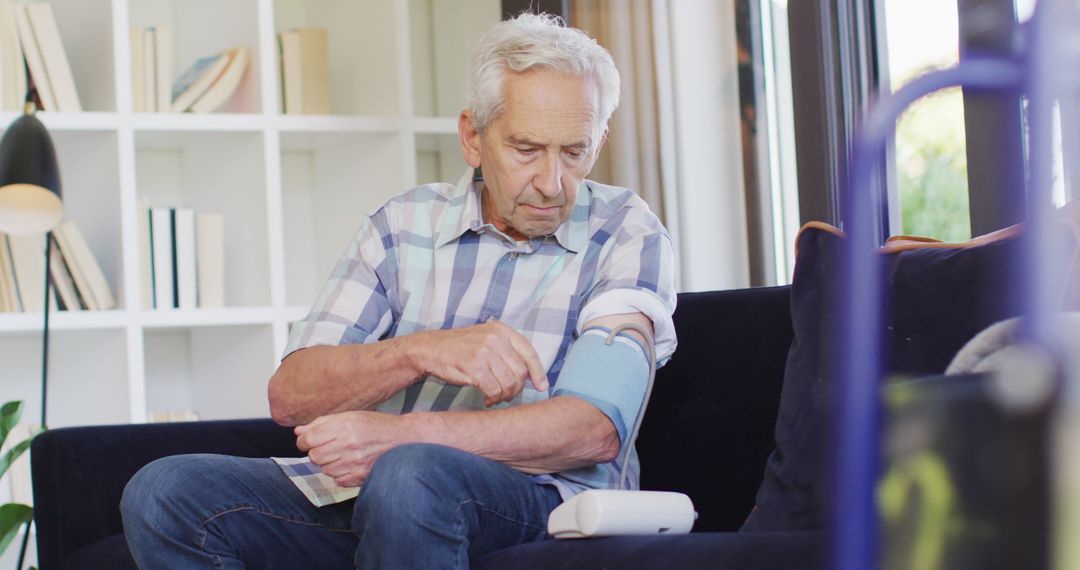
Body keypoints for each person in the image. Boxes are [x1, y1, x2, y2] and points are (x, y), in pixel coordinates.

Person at [121, 12, 677, 568]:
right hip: (375, 494)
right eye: (527, 149)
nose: (553, 183)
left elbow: (593, 430)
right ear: (473, 137)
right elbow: (291, 395)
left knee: (409, 475)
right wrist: (419, 351)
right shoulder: (403, 223)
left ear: (599, 139)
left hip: (540, 501)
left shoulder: (627, 231)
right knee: (165, 491)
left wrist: (397, 438)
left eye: (575, 151)